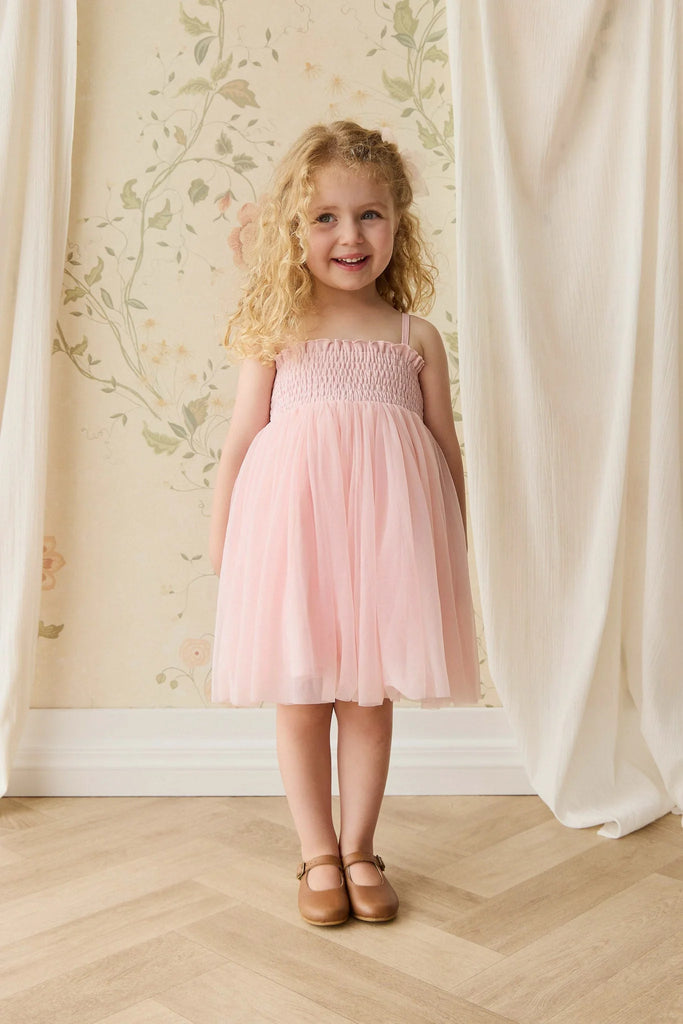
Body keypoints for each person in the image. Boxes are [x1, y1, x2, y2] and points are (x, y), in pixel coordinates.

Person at [209, 121, 479, 927]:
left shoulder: (413, 337)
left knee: (367, 701)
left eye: (370, 215)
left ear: (398, 224)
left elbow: (444, 449)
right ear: (294, 229)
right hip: (294, 548)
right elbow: (240, 446)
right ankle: (317, 852)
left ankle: (359, 848)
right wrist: (227, 546)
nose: (350, 236)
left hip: (386, 553)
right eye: (324, 217)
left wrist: (451, 546)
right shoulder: (278, 336)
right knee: (301, 699)